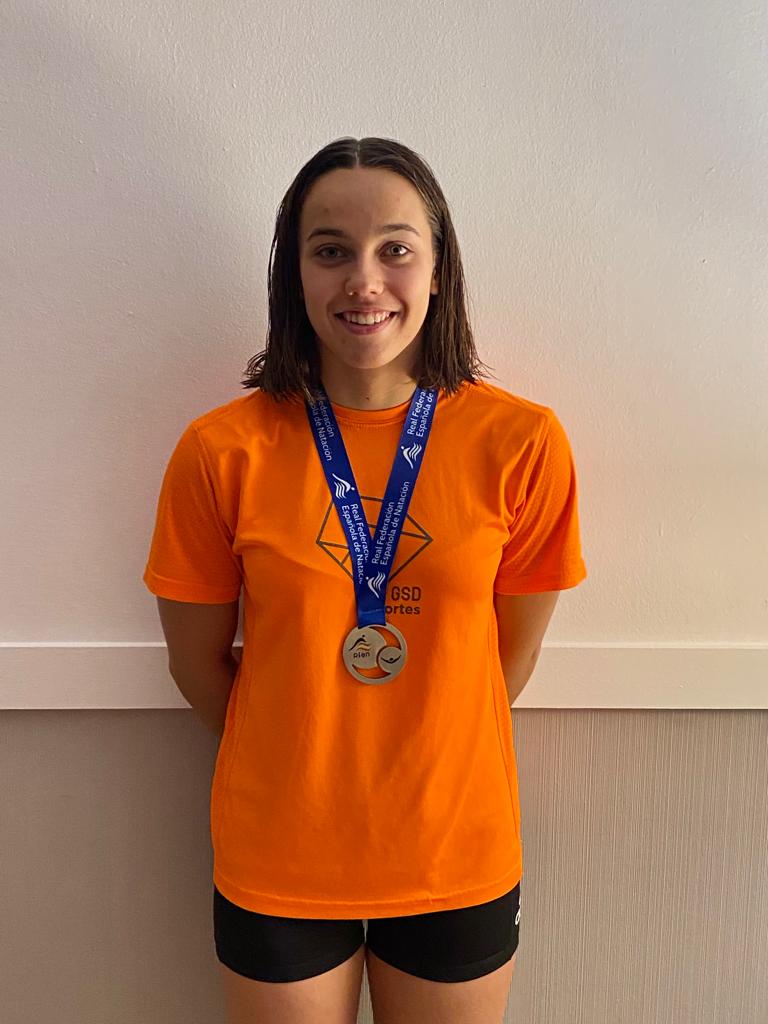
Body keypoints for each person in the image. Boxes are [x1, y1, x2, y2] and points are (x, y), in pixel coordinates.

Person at [143, 136, 587, 1024]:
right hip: (280, 850)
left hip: (453, 847)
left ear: (439, 267)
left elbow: (509, 659)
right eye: (331, 250)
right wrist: (300, 751)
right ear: (295, 273)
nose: (364, 280)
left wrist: (425, 749)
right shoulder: (220, 451)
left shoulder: (522, 444)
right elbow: (197, 667)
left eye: (395, 248)